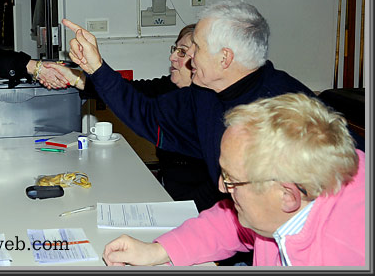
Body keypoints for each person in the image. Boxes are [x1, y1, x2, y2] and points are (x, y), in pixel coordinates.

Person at [63, 0, 319, 213]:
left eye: (197, 47)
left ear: (225, 57)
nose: (189, 57)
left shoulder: (285, 109)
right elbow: (145, 112)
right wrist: (96, 67)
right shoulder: (205, 94)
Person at [103, 93, 365, 266]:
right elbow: (230, 223)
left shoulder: (339, 257)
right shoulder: (290, 192)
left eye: (232, 180)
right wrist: (158, 251)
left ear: (287, 196)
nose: (221, 187)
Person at [47, 24, 223, 210]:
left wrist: (177, 211)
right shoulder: (169, 88)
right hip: (169, 197)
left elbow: (217, 191)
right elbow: (128, 93)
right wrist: (74, 77)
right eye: (175, 49)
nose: (172, 57)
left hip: (197, 213)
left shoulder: (217, 109)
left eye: (182, 52)